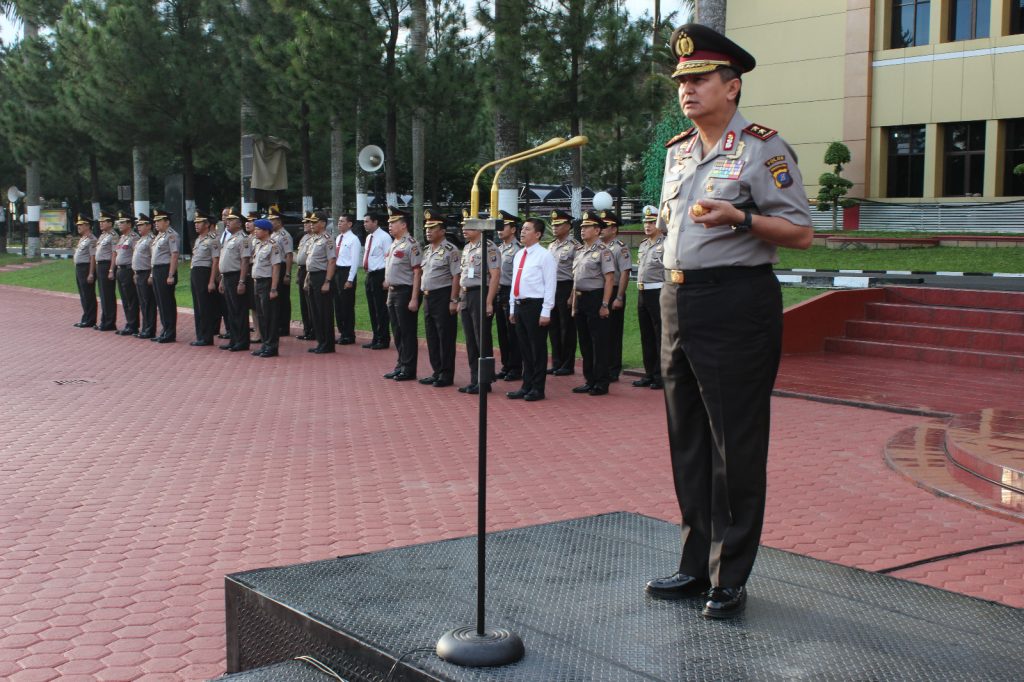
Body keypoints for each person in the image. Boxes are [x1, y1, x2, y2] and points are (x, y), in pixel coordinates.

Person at [644, 24, 813, 619]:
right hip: (677, 300)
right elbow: (676, 222)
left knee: (733, 444)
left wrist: (740, 217)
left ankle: (730, 574)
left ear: (732, 86)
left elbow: (801, 233)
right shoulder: (677, 150)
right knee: (687, 440)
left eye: (699, 79)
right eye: (681, 81)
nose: (686, 90)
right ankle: (694, 564)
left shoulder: (764, 148)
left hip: (736, 303)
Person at [507, 217, 556, 402]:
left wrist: (546, 311)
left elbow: (550, 284)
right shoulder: (520, 254)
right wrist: (512, 307)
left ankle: (537, 388)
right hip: (520, 305)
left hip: (536, 305)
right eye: (522, 228)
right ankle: (526, 385)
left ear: (537, 234)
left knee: (537, 349)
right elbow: (515, 283)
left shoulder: (545, 255)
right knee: (524, 349)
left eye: (527, 229)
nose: (522, 231)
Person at [570, 210, 615, 396]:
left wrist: (605, 304)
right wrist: (573, 303)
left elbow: (610, 279)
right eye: (582, 227)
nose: (582, 230)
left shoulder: (603, 251)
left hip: (595, 297)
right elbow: (576, 278)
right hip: (580, 298)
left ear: (597, 230)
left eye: (587, 227)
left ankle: (601, 381)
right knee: (585, 341)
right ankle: (589, 380)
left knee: (599, 342)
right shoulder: (580, 251)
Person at [458, 210, 500, 394]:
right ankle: (474, 378)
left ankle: (485, 380)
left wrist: (489, 301)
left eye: (469, 225)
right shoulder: (467, 248)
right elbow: (464, 274)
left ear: (481, 227)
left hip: (480, 294)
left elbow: (495, 275)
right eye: (464, 225)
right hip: (467, 295)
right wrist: (460, 297)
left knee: (481, 338)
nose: (464, 229)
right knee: (470, 340)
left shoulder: (488, 247)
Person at [418, 210, 461, 388]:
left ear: (442, 231)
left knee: (445, 337)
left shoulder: (451, 250)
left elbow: (456, 276)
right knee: (432, 337)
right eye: (427, 228)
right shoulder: (427, 250)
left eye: (432, 228)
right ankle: (436, 371)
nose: (428, 231)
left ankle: (446, 374)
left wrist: (453, 300)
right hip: (428, 297)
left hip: (443, 296)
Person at [382, 206, 422, 380]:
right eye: (389, 223)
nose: (390, 226)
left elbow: (417, 272)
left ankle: (409, 368)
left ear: (404, 225)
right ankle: (400, 364)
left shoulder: (412, 245)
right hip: (393, 291)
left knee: (407, 331)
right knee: (397, 331)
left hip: (405, 291)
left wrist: (414, 298)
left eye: (393, 223)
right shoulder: (394, 243)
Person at [633, 205, 665, 389]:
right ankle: (649, 373)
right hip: (642, 292)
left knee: (659, 334)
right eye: (646, 222)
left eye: (652, 222)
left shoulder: (666, 244)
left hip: (658, 292)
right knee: (646, 335)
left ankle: (660, 375)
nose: (648, 225)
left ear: (659, 224)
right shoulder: (644, 245)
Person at [546, 210, 581, 375]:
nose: (554, 227)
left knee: (567, 327)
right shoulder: (551, 246)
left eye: (558, 224)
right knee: (553, 327)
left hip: (566, 287)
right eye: (553, 224)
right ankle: (556, 362)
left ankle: (567, 364)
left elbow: (578, 273)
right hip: (552, 288)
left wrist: (572, 295)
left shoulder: (574, 246)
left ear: (568, 226)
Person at [598, 210, 631, 381]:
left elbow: (625, 273)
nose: (602, 229)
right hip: (602, 292)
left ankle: (613, 368)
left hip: (614, 292)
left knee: (613, 333)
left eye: (605, 226)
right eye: (600, 226)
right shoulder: (599, 247)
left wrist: (619, 297)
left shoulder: (620, 247)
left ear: (614, 229)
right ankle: (603, 366)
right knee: (601, 332)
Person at [217, 208, 252, 352]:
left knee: (239, 310)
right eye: (227, 219)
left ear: (239, 223)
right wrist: (222, 280)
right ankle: (234, 339)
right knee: (231, 311)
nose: (227, 222)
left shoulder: (243, 239)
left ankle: (242, 341)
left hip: (237, 276)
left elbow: (245, 261)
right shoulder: (229, 238)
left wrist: (242, 281)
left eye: (231, 220)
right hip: (227, 277)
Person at [494, 211, 523, 382]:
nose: (499, 230)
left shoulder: (517, 249)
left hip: (510, 292)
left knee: (513, 332)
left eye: (503, 226)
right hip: (499, 292)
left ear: (513, 229)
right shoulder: (500, 248)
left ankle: (516, 367)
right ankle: (506, 365)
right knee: (502, 332)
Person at [303, 210, 337, 354]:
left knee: (324, 312)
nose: (311, 224)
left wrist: (327, 281)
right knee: (315, 311)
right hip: (312, 276)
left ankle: (328, 344)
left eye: (314, 222)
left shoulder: (327, 239)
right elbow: (310, 262)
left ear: (323, 223)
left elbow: (331, 261)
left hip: (322, 276)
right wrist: (307, 279)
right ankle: (321, 341)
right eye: (310, 222)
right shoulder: (313, 239)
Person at [250, 218, 283, 357]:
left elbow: (276, 267)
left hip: (267, 282)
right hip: (258, 282)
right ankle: (265, 343)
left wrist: (274, 288)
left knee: (270, 316)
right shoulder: (259, 244)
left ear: (266, 231)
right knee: (261, 315)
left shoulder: (273, 245)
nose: (255, 231)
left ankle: (272, 346)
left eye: (258, 229)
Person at [361, 212, 392, 349]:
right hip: (370, 275)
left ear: (375, 222)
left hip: (380, 274)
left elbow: (388, 258)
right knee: (372, 309)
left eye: (367, 221)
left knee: (381, 309)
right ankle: (375, 337)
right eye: (364, 222)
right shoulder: (369, 238)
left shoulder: (384, 238)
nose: (365, 224)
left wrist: (387, 278)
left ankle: (383, 339)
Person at [189, 210, 220, 347]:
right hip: (195, 272)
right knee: (197, 305)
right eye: (195, 222)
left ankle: (207, 337)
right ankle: (200, 335)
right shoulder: (198, 239)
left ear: (207, 224)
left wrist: (212, 280)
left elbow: (215, 261)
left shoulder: (213, 239)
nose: (196, 225)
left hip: (205, 272)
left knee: (205, 306)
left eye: (199, 222)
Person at [149, 209, 179, 343]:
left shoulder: (171, 235)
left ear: (167, 222)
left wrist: (171, 274)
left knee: (167, 302)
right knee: (160, 302)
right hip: (157, 270)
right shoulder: (159, 236)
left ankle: (170, 332)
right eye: (155, 220)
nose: (156, 223)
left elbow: (174, 254)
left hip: (165, 270)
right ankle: (164, 329)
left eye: (159, 220)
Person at [333, 213, 361, 345]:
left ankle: (349, 334)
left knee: (347, 305)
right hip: (337, 272)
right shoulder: (339, 238)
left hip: (346, 272)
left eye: (342, 221)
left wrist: (350, 279)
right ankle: (342, 332)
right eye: (338, 221)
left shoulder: (353, 239)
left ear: (349, 224)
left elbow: (355, 261)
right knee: (338, 305)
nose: (339, 223)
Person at [266, 205, 294, 337]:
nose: (270, 222)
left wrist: (288, 273)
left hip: (282, 267)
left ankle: (284, 326)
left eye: (272, 220)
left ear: (279, 221)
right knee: (275, 299)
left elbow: (289, 255)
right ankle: (277, 324)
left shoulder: (284, 235)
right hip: (273, 267)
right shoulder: (273, 235)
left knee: (282, 298)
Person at [113, 212, 139, 336]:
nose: (119, 224)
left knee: (131, 299)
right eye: (119, 222)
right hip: (120, 270)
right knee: (124, 298)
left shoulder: (134, 237)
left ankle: (133, 325)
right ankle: (129, 323)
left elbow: (135, 255)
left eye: (122, 222)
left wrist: (135, 272)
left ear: (129, 224)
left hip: (129, 270)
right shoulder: (122, 237)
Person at [132, 214, 157, 339]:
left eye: (141, 225)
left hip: (147, 272)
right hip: (140, 273)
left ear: (149, 225)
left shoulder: (151, 239)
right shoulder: (141, 239)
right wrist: (135, 273)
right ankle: (144, 328)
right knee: (142, 302)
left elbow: (153, 258)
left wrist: (151, 275)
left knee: (149, 303)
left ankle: (150, 329)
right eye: (138, 225)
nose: (138, 227)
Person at [71, 214, 97, 328]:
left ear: (87, 225)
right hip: (79, 268)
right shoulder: (83, 239)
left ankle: (90, 319)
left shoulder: (92, 239)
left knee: (88, 294)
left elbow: (93, 257)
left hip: (86, 268)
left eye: (81, 225)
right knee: (83, 294)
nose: (79, 227)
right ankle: (85, 317)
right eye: (78, 225)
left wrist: (91, 273)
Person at [94, 211, 119, 331]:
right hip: (100, 266)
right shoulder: (103, 235)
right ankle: (104, 319)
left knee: (108, 294)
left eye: (103, 221)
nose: (101, 223)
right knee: (103, 294)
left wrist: (111, 269)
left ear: (110, 223)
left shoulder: (113, 235)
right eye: (100, 221)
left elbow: (115, 253)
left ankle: (110, 322)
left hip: (107, 265)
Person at [294, 220, 314, 340]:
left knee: (310, 302)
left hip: (309, 270)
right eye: (305, 223)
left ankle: (313, 329)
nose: (305, 225)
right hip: (302, 269)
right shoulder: (304, 237)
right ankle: (307, 329)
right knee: (303, 303)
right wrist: (297, 273)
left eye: (308, 223)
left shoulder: (314, 238)